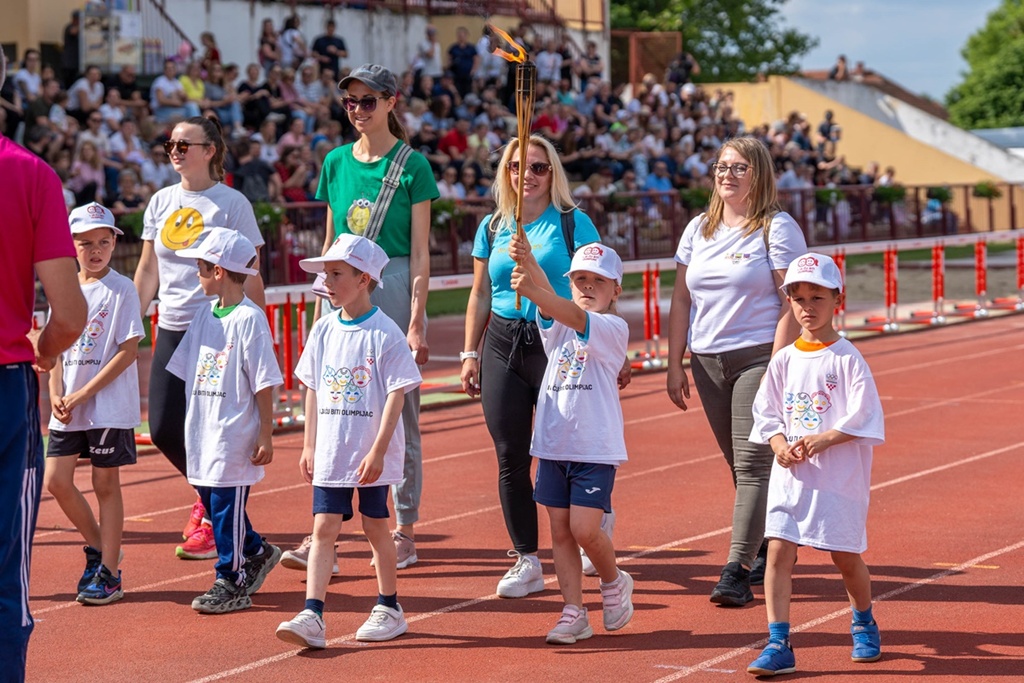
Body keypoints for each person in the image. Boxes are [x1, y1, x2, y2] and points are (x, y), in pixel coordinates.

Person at [279, 64, 438, 573]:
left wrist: (416, 320)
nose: (358, 110)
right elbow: (330, 242)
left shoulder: (413, 166)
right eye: (351, 101)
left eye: (369, 101)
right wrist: (323, 296)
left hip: (389, 283)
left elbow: (419, 253)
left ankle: (404, 527)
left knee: (399, 411)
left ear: (392, 102)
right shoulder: (335, 162)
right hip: (341, 288)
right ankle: (324, 531)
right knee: (334, 403)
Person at [460, 134, 605, 598]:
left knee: (566, 448)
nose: (528, 176)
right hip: (503, 340)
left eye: (539, 167)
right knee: (510, 455)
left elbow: (595, 290)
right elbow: (481, 293)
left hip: (556, 341)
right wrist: (469, 352)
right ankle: (526, 557)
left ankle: (589, 523)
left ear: (553, 173)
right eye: (518, 166)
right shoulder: (492, 226)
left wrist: (605, 347)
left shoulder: (573, 223)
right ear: (506, 172)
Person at [665, 136, 807, 607]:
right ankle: (769, 545)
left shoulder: (777, 227)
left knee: (750, 466)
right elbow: (682, 299)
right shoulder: (698, 229)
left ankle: (735, 571)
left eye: (738, 167)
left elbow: (794, 301)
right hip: (706, 362)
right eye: (721, 166)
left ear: (759, 174)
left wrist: (778, 366)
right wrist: (674, 362)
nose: (727, 175)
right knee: (741, 464)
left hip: (757, 357)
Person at [276, 234, 422, 649]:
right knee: (323, 528)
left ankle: (389, 606)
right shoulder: (323, 329)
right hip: (332, 451)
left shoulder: (385, 332)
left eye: (337, 273)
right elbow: (313, 387)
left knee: (376, 526)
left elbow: (398, 392)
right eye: (326, 273)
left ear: (364, 279)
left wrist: (378, 449)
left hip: (368, 454)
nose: (328, 280)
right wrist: (308, 444)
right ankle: (312, 614)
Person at [134, 116, 266, 561]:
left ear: (210, 150)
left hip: (217, 330)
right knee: (165, 429)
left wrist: (256, 331)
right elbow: (149, 270)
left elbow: (249, 270)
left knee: (213, 433)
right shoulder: (160, 201)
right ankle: (211, 503)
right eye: (170, 143)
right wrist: (132, 325)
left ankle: (217, 522)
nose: (174, 150)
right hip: (172, 328)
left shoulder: (231, 203)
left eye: (184, 144)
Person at [746, 253, 885, 675]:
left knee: (845, 558)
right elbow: (766, 411)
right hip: (791, 478)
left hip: (837, 479)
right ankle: (778, 641)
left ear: (837, 300)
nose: (807, 306)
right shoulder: (785, 359)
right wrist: (777, 443)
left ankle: (863, 620)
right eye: (799, 297)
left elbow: (865, 416)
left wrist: (824, 439)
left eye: (817, 297)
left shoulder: (847, 359)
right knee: (777, 554)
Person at [0, 49, 87, 681]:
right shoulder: (29, 173)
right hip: (5, 384)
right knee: (5, 573)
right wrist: (44, 351)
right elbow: (69, 311)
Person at [507, 236, 634, 644]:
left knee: (584, 529)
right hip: (553, 445)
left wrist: (530, 287)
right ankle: (573, 611)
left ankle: (614, 581)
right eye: (579, 279)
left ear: (616, 288)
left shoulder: (613, 327)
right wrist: (529, 261)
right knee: (560, 531)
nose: (587, 287)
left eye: (598, 280)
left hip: (594, 447)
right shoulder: (558, 322)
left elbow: (560, 307)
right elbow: (554, 303)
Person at [165, 227, 283, 613]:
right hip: (202, 430)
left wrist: (265, 432)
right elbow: (186, 369)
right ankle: (257, 550)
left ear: (218, 271)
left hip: (233, 432)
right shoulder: (204, 314)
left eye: (200, 267)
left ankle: (230, 579)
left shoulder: (249, 319)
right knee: (212, 501)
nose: (195, 274)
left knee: (226, 505)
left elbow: (264, 381)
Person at [44, 203, 143, 606]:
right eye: (86, 243)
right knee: (56, 481)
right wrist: (54, 390)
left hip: (106, 405)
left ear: (114, 243)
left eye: (104, 242)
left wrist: (84, 393)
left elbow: (128, 351)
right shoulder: (64, 287)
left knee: (105, 484)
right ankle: (101, 548)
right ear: (72, 247)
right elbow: (57, 348)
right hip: (68, 403)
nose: (96, 250)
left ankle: (109, 573)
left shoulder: (121, 289)